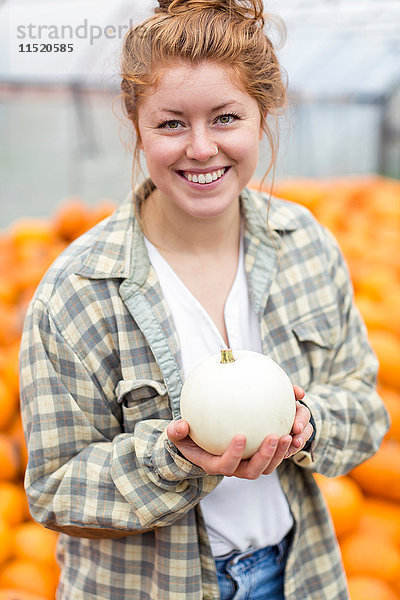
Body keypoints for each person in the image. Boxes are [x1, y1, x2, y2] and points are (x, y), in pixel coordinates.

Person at [19, 1, 389, 599]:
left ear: (261, 118)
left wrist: (308, 425)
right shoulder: (77, 292)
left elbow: (366, 410)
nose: (200, 148)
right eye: (171, 124)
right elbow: (56, 489)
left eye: (225, 118)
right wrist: (177, 459)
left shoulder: (307, 246)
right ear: (136, 127)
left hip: (295, 576)